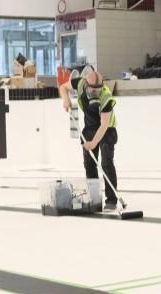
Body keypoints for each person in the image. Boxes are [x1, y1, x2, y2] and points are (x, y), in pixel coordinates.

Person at [59, 69, 120, 211]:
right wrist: (66, 99)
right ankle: (94, 198)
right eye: (93, 89)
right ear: (86, 84)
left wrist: (93, 143)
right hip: (90, 128)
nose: (95, 92)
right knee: (89, 164)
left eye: (98, 89)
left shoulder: (106, 97)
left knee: (106, 163)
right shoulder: (80, 83)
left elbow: (104, 125)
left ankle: (111, 200)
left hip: (107, 130)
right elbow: (63, 87)